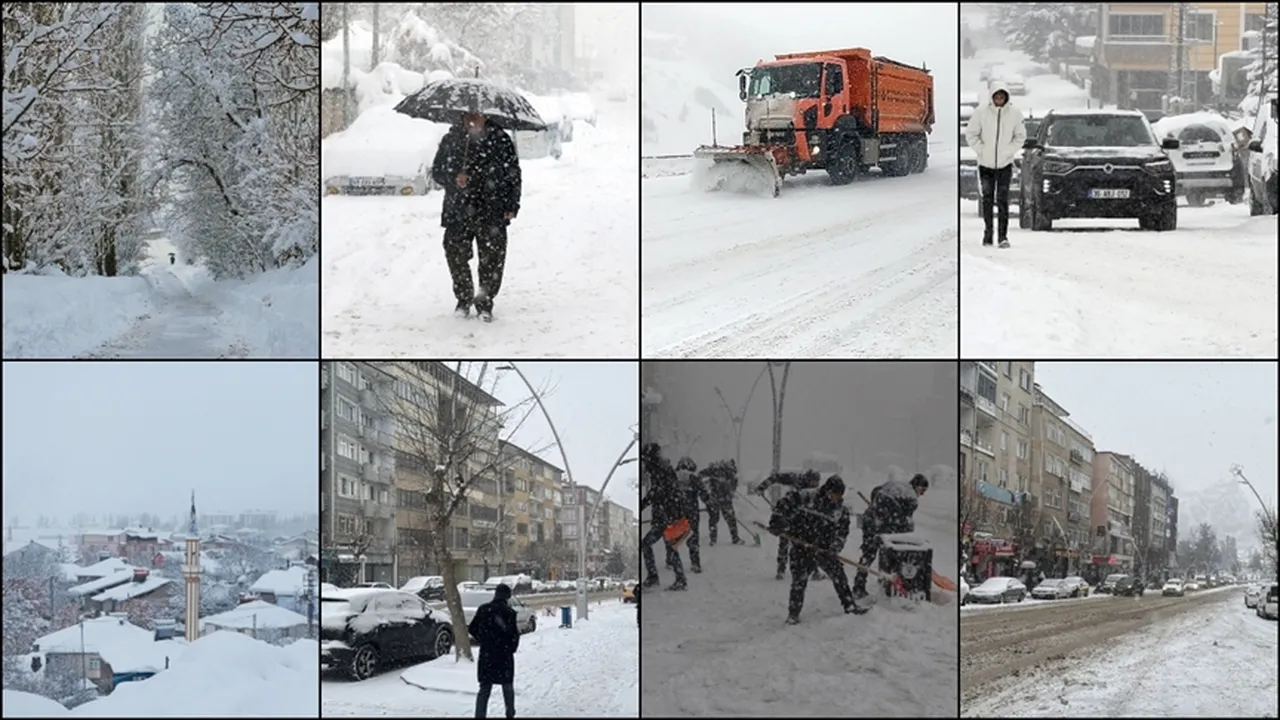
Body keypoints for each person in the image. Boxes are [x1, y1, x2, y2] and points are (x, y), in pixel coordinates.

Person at [430, 111, 522, 322]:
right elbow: (437, 171)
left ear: (485, 117)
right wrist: (454, 178)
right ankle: (463, 298)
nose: (473, 120)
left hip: (492, 209)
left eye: (477, 116)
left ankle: (485, 303)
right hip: (459, 209)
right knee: (456, 254)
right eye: (468, 116)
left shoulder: (500, 140)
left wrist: (512, 204)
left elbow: (513, 174)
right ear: (461, 117)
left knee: (492, 259)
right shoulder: (451, 139)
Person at [768, 475, 862, 624]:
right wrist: (777, 520)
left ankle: (849, 605)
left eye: (839, 496)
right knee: (799, 581)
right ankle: (793, 615)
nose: (835, 498)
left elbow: (842, 533)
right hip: (801, 545)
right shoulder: (806, 497)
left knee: (839, 576)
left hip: (824, 549)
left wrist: (835, 547)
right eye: (834, 494)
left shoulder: (840, 511)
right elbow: (783, 505)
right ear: (827, 490)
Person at [964, 85, 1025, 248]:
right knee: (987, 200)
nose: (999, 100)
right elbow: (971, 134)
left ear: (1006, 98)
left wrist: (1008, 151)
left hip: (1005, 165)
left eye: (1002, 97)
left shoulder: (1014, 114)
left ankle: (1003, 237)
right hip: (985, 165)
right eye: (996, 97)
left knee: (1003, 200)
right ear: (991, 97)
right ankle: (988, 234)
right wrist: (981, 150)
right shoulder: (981, 112)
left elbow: (1020, 136)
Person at [852, 473, 928, 598]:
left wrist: (877, 509)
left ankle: (859, 586)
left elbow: (875, 491)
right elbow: (905, 522)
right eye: (922, 490)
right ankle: (888, 584)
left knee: (868, 555)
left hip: (870, 521)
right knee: (889, 555)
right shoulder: (911, 497)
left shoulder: (895, 484)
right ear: (917, 486)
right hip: (881, 525)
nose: (922, 494)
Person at [756, 469, 823, 580]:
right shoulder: (796, 479)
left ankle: (814, 570)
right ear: (808, 479)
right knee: (784, 541)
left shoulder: (815, 491)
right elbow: (776, 477)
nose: (815, 484)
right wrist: (762, 487)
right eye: (813, 482)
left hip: (803, 518)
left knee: (809, 544)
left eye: (817, 482)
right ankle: (781, 570)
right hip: (788, 513)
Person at [639, 443, 688, 591]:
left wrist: (643, 504)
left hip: (666, 517)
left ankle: (669, 578)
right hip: (666, 516)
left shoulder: (660, 471)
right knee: (668, 547)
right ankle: (677, 579)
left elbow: (658, 493)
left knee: (654, 545)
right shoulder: (662, 470)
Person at [468, 583, 520, 719]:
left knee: (484, 689)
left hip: (487, 655)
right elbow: (515, 636)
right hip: (504, 656)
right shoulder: (510, 613)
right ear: (507, 597)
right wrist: (509, 649)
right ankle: (510, 713)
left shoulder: (483, 609)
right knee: (507, 688)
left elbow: (472, 628)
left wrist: (484, 640)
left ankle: (480, 715)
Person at [675, 456, 711, 573]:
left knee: (672, 538)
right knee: (693, 538)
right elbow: (703, 494)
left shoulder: (674, 478)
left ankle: (671, 560)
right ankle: (695, 563)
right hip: (692, 513)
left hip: (677, 512)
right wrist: (709, 502)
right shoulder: (694, 479)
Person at [703, 459, 744, 546]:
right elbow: (702, 478)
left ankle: (733, 538)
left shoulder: (731, 476)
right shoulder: (717, 472)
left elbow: (732, 488)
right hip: (716, 500)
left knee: (729, 519)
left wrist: (730, 494)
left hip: (725, 500)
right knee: (715, 519)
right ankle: (714, 539)